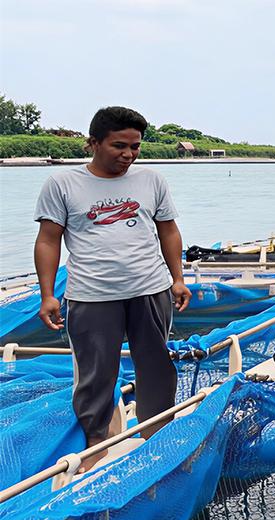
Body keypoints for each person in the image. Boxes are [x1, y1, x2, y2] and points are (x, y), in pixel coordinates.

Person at [33, 105, 191, 472]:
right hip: (91, 294)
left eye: (135, 147)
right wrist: (47, 294)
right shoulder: (62, 184)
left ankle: (157, 433)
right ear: (93, 143)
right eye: (119, 146)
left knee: (157, 365)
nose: (128, 155)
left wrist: (177, 278)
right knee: (95, 373)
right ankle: (96, 443)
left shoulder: (152, 180)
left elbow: (168, 231)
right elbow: (48, 240)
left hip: (149, 289)